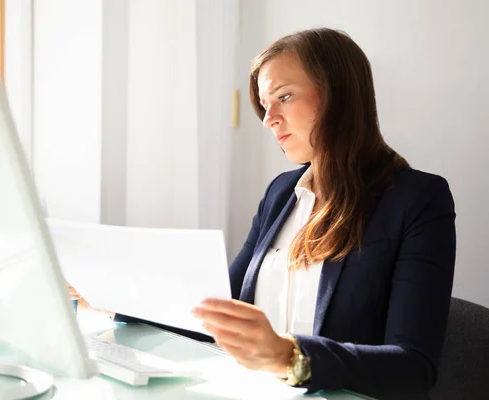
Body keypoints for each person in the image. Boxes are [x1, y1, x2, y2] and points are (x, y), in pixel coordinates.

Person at [190, 28, 456, 399]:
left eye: (284, 97)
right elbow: (222, 308)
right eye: (266, 105)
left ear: (339, 97)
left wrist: (290, 357)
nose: (270, 119)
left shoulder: (418, 199)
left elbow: (413, 367)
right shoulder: (281, 192)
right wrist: (117, 297)